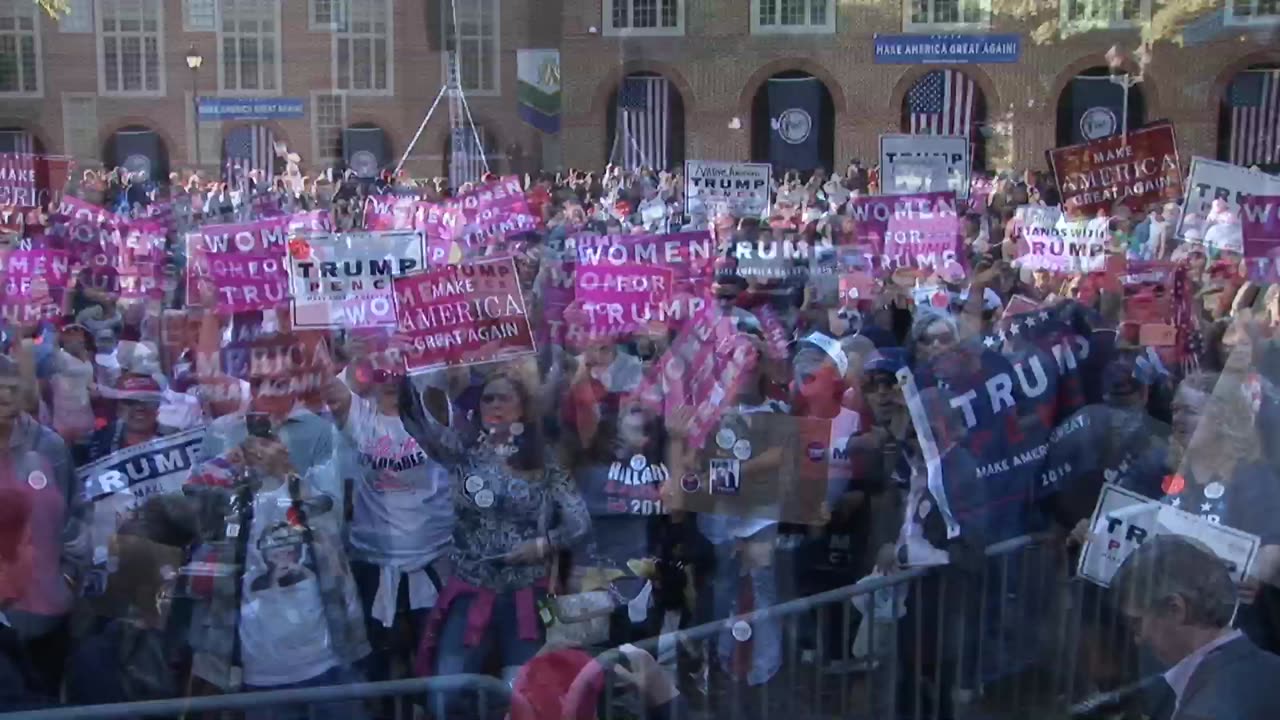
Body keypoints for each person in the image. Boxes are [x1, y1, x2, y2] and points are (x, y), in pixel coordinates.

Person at [412, 367, 591, 715]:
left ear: (521, 408)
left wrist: (540, 546)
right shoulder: (463, 452)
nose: (494, 404)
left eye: (503, 397)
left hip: (524, 599)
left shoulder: (545, 461)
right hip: (470, 594)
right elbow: (417, 422)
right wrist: (405, 371)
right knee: (444, 696)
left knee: (524, 700)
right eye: (487, 397)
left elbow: (579, 523)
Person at [1111, 536, 1280, 720]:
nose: (1138, 639)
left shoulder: (1204, 711)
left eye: (1137, 623)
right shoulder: (1272, 668)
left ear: (1174, 609)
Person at [0, 356, 87, 700]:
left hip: (45, 615)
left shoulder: (49, 446)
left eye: (11, 389)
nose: (5, 397)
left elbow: (76, 516)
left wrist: (68, 579)